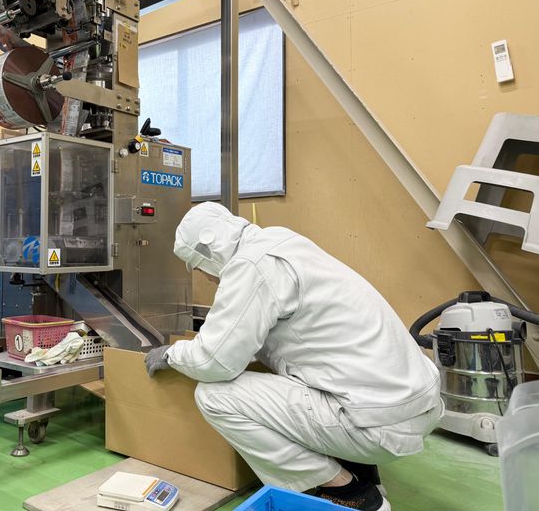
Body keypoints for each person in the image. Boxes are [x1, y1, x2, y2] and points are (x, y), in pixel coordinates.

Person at [145, 202, 443, 511]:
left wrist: (173, 354)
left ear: (208, 252)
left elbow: (214, 361)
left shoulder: (251, 265)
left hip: (378, 423)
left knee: (214, 395)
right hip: (413, 403)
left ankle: (349, 492)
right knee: (304, 374)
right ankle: (360, 469)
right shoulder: (281, 241)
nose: (207, 279)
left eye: (199, 268)